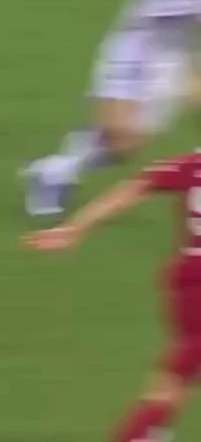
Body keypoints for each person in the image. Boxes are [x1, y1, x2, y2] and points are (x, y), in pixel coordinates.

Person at [21, 0, 201, 216]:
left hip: (166, 66)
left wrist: (192, 76)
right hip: (126, 55)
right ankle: (51, 177)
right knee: (115, 131)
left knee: (124, 150)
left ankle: (54, 168)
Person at [25, 152, 201, 441]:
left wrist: (75, 227)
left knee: (176, 380)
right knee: (171, 385)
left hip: (188, 280)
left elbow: (134, 188)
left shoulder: (192, 164)